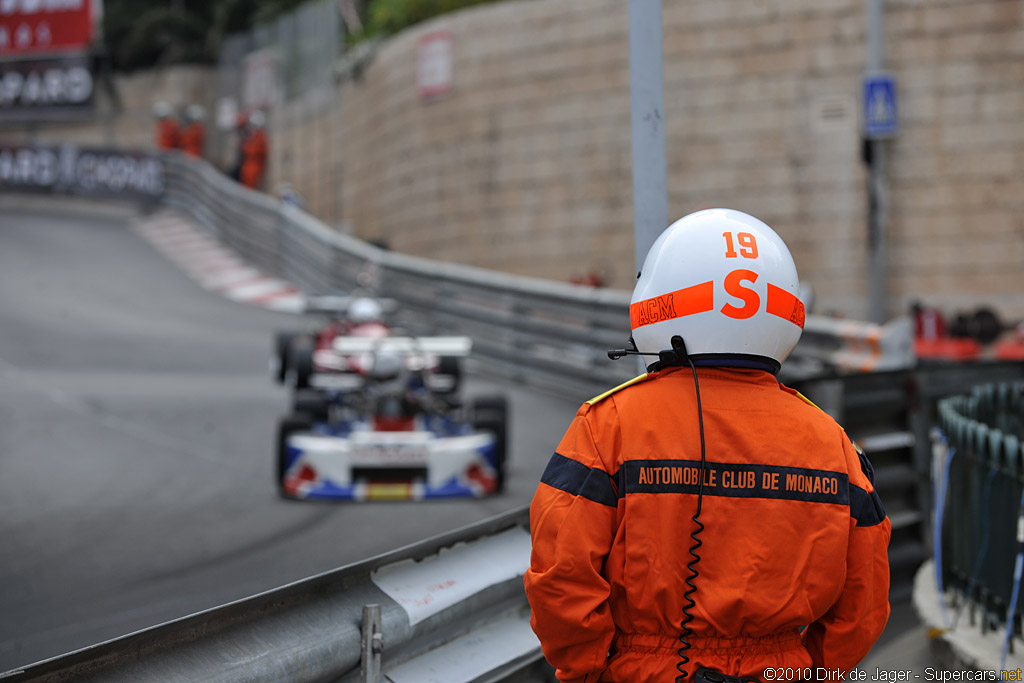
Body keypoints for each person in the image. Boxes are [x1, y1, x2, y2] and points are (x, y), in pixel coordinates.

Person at [524, 208, 891, 683]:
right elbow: (864, 600)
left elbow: (560, 576)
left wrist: (591, 672)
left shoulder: (608, 423)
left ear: (660, 301)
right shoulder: (831, 440)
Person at [240, 110, 268, 190]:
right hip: (248, 165)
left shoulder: (260, 137)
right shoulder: (253, 136)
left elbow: (255, 151)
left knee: (250, 187)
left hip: (253, 165)